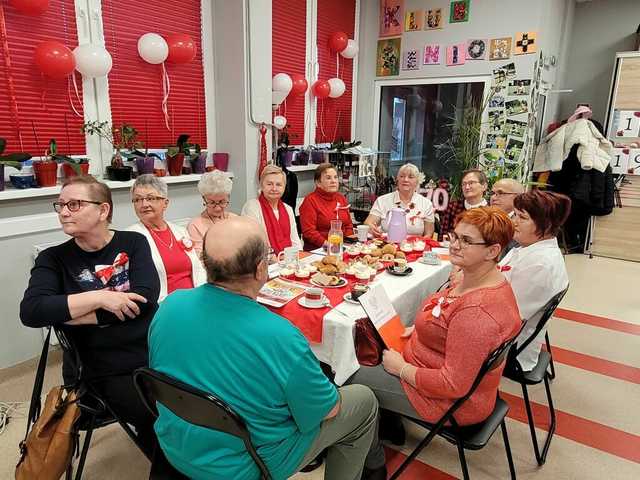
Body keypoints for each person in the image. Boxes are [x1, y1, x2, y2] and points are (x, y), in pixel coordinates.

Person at [148, 216, 378, 480]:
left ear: (204, 263)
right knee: (363, 401)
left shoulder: (170, 305)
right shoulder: (281, 335)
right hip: (247, 463)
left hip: (174, 443)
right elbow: (329, 411)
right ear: (261, 269)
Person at [347, 207, 521, 475]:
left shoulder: (477, 313)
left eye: (467, 241)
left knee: (348, 379)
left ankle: (373, 464)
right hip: (430, 365)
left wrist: (401, 369)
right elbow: (446, 324)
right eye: (455, 236)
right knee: (372, 347)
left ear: (492, 251)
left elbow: (453, 384)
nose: (455, 245)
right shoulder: (479, 281)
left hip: (449, 403)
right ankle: (388, 422)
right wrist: (415, 332)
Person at [20, 175, 159, 456]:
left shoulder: (133, 242)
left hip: (156, 347)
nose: (63, 212)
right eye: (60, 205)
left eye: (74, 204)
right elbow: (33, 311)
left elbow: (145, 299)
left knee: (206, 396)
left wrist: (71, 313)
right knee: (160, 418)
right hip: (104, 366)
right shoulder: (52, 259)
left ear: (103, 210)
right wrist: (101, 297)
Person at [499, 190, 571, 371]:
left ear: (545, 225)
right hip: (506, 327)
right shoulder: (528, 248)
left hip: (508, 347)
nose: (513, 222)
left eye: (522, 217)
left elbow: (507, 317)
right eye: (514, 214)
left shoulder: (540, 264)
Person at [127, 175, 206, 302]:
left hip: (196, 298)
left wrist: (202, 294)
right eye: (137, 199)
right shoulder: (131, 237)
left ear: (165, 203)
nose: (144, 204)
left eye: (150, 198)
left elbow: (198, 269)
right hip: (163, 304)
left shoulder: (180, 231)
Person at [241, 165, 302, 254]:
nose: (274, 188)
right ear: (261, 185)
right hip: (264, 261)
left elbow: (295, 241)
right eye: (269, 184)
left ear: (284, 187)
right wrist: (272, 258)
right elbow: (253, 243)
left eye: (278, 185)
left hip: (289, 261)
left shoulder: (288, 209)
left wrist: (298, 256)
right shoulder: (252, 207)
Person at [364, 163, 435, 238]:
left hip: (414, 246)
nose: (405, 179)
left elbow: (429, 234)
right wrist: (372, 228)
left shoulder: (426, 204)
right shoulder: (382, 200)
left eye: (410, 177)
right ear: (397, 180)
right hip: (387, 245)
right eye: (402, 176)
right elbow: (368, 222)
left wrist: (419, 245)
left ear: (417, 182)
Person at [299, 163, 354, 251]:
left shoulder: (341, 198)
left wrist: (349, 244)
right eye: (328, 178)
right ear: (318, 183)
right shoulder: (310, 201)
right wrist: (329, 245)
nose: (333, 181)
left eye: (335, 177)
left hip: (343, 247)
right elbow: (309, 232)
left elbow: (348, 224)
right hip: (318, 250)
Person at [187, 170, 237, 255]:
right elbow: (200, 259)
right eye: (212, 202)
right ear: (204, 199)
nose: (217, 208)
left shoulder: (236, 220)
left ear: (228, 197)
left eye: (222, 202)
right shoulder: (195, 226)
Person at [438, 169, 488, 240]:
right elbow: (443, 235)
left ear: (484, 186)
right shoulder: (453, 206)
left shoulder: (491, 209)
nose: (467, 187)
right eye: (464, 184)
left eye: (471, 183)